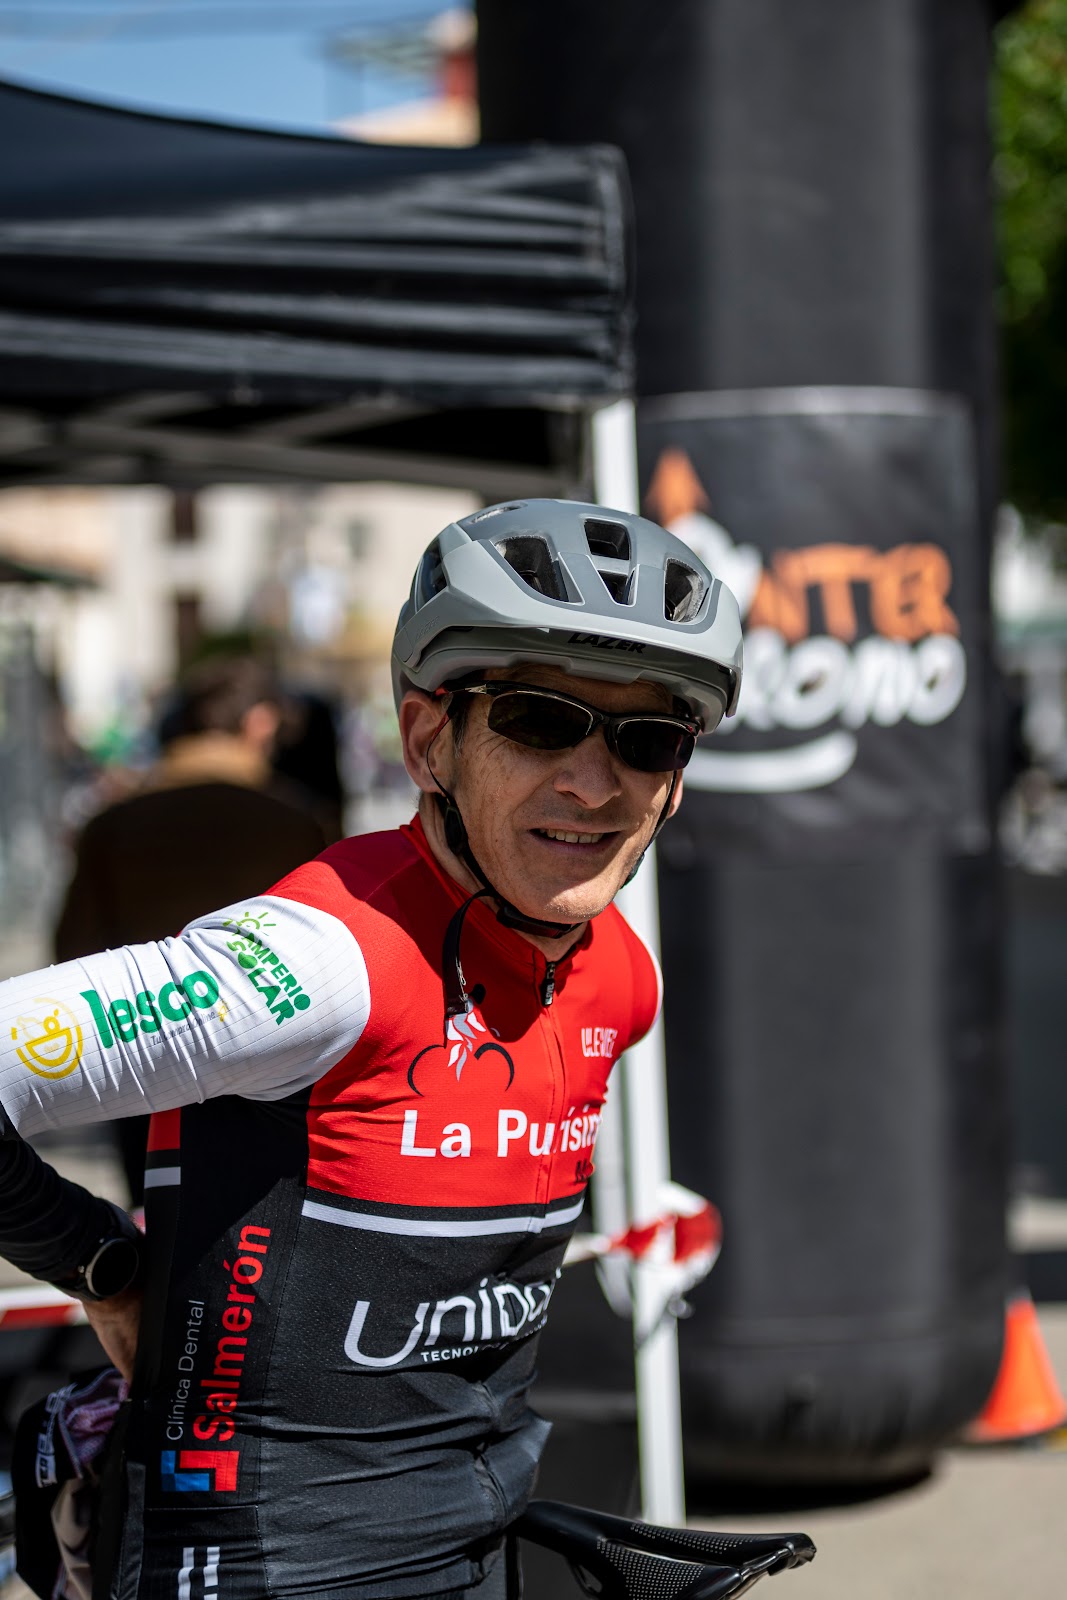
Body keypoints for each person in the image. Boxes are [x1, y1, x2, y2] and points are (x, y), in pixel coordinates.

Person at [0, 500, 742, 1600]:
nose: (593, 785)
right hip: (264, 1568)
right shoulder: (317, 962)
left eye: (646, 739)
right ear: (429, 739)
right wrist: (98, 1260)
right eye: (539, 721)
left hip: (474, 1544)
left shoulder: (622, 976)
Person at [53, 655, 328, 1203]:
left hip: (141, 1053)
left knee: (153, 1222)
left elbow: (72, 947)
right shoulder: (298, 821)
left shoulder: (112, 823)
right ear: (260, 724)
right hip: (267, 1061)